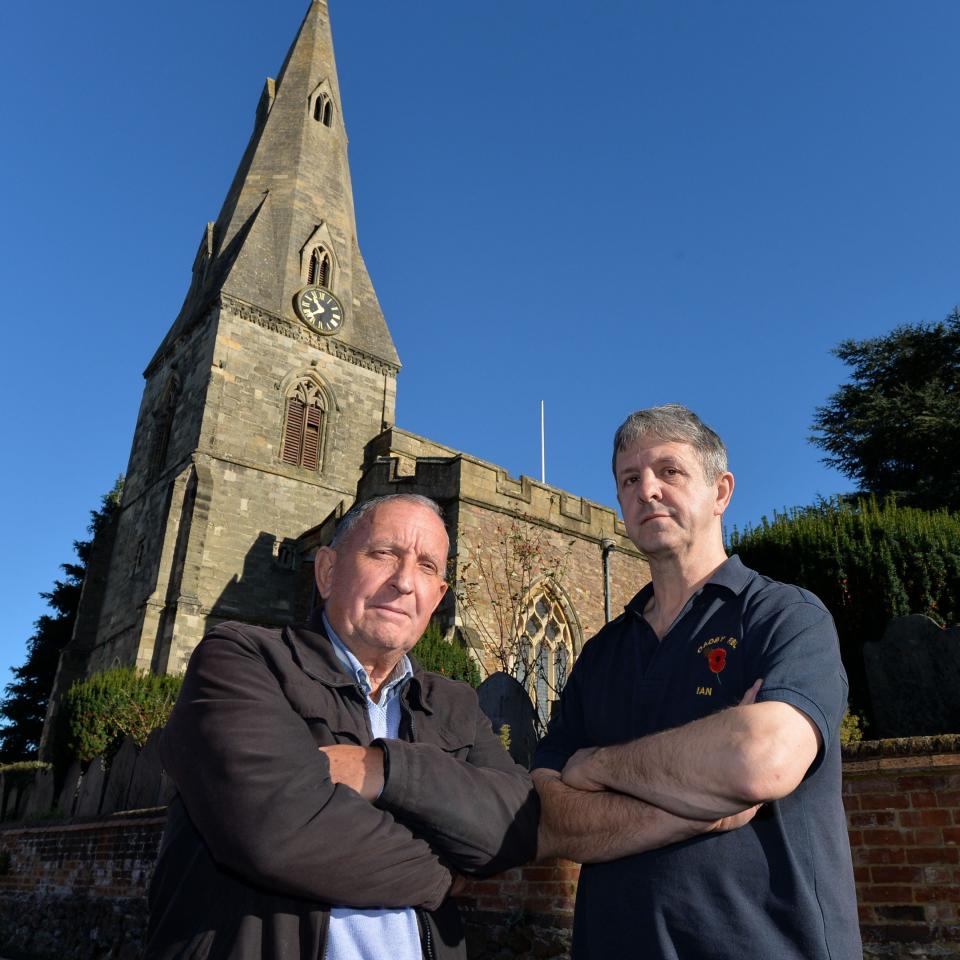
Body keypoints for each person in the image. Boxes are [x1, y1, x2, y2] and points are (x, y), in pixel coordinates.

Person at [147, 493, 539, 960]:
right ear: (327, 571)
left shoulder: (455, 703)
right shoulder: (241, 660)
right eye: (384, 554)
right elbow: (276, 834)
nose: (404, 582)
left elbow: (520, 822)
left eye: (428, 567)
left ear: (438, 597)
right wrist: (448, 874)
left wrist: (383, 770)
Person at [533, 404, 861, 960]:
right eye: (630, 480)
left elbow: (762, 759)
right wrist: (706, 804)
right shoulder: (600, 655)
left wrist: (597, 767)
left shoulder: (785, 616)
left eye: (670, 471)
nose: (648, 491)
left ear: (721, 492)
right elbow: (549, 820)